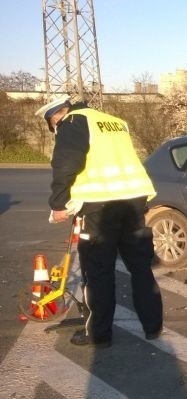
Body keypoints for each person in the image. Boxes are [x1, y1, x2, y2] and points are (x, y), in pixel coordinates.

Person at [35, 95, 163, 348]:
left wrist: (59, 205)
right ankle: (153, 327)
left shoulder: (73, 122)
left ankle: (99, 335)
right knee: (140, 269)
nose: (55, 128)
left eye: (53, 123)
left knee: (98, 274)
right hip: (134, 202)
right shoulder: (114, 121)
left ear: (58, 114)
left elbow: (65, 165)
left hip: (99, 209)